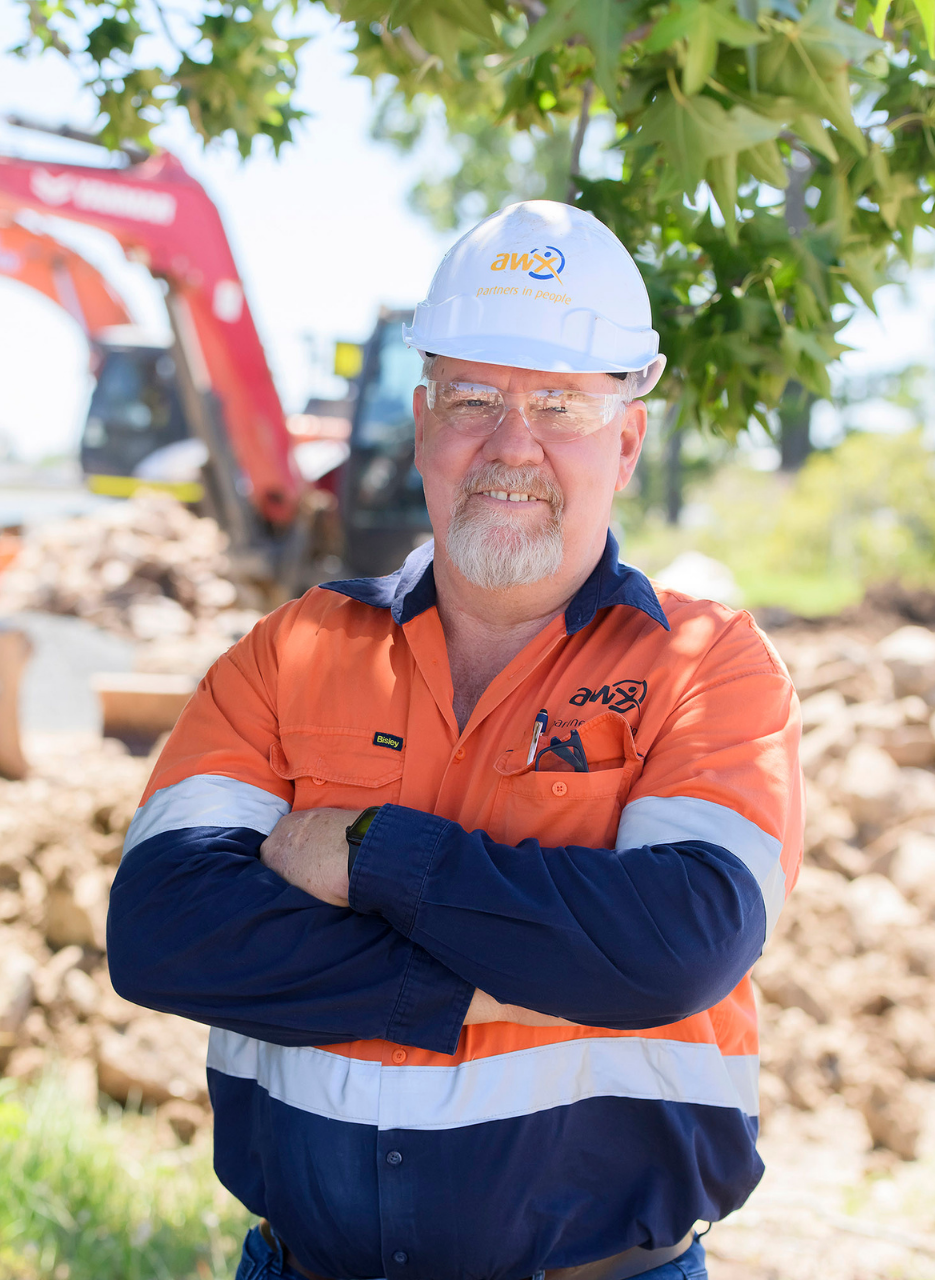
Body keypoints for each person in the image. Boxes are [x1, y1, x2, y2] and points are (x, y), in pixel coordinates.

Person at [107, 200, 803, 1280]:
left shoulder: (706, 664)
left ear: (627, 439)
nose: (512, 445)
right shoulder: (291, 652)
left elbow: (677, 945)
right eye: (475, 398)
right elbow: (164, 927)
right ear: (424, 422)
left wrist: (368, 851)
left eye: (560, 405)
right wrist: (485, 980)